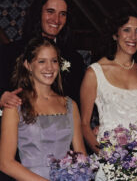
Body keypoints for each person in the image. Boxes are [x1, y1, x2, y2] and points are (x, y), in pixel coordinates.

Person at [80, 8, 137, 180]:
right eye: (127, 30)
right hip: (108, 164)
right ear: (115, 34)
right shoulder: (95, 72)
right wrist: (107, 156)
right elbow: (83, 124)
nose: (133, 37)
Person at [0, 37, 86, 180]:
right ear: (28, 65)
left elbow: (81, 156)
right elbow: (5, 163)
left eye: (54, 61)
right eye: (42, 61)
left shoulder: (70, 105)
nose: (50, 67)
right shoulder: (15, 105)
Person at [0, 0, 85, 111]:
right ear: (38, 13)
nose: (56, 20)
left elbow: (77, 105)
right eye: (50, 11)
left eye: (62, 14)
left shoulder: (75, 59)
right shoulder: (9, 52)